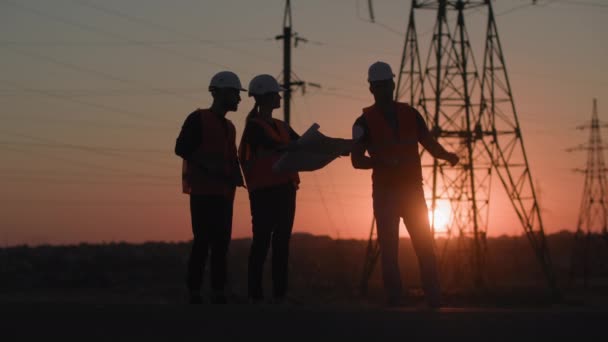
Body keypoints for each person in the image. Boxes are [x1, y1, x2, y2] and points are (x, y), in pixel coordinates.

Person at [351, 61, 459, 308]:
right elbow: (356, 161)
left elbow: (429, 143)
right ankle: (396, 298)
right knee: (390, 249)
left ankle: (433, 298)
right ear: (372, 88)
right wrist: (382, 162)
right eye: (378, 86)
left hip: (412, 191)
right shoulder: (363, 122)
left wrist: (447, 156)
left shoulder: (411, 114)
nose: (382, 90)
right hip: (386, 192)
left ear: (392, 84)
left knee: (424, 245)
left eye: (384, 85)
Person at [174, 70, 246, 304]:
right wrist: (209, 168)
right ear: (222, 92)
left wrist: (238, 177)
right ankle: (195, 291)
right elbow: (182, 147)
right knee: (203, 241)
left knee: (221, 244)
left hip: (225, 193)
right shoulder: (198, 119)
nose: (239, 99)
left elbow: (231, 158)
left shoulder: (230, 127)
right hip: (204, 192)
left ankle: (218, 291)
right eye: (235, 93)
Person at [237, 74, 302, 304]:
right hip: (264, 192)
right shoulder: (254, 128)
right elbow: (277, 146)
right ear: (266, 97)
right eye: (276, 93)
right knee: (263, 241)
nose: (279, 97)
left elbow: (300, 143)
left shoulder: (281, 126)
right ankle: (256, 295)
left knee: (281, 243)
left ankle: (279, 294)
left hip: (285, 190)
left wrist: (329, 147)